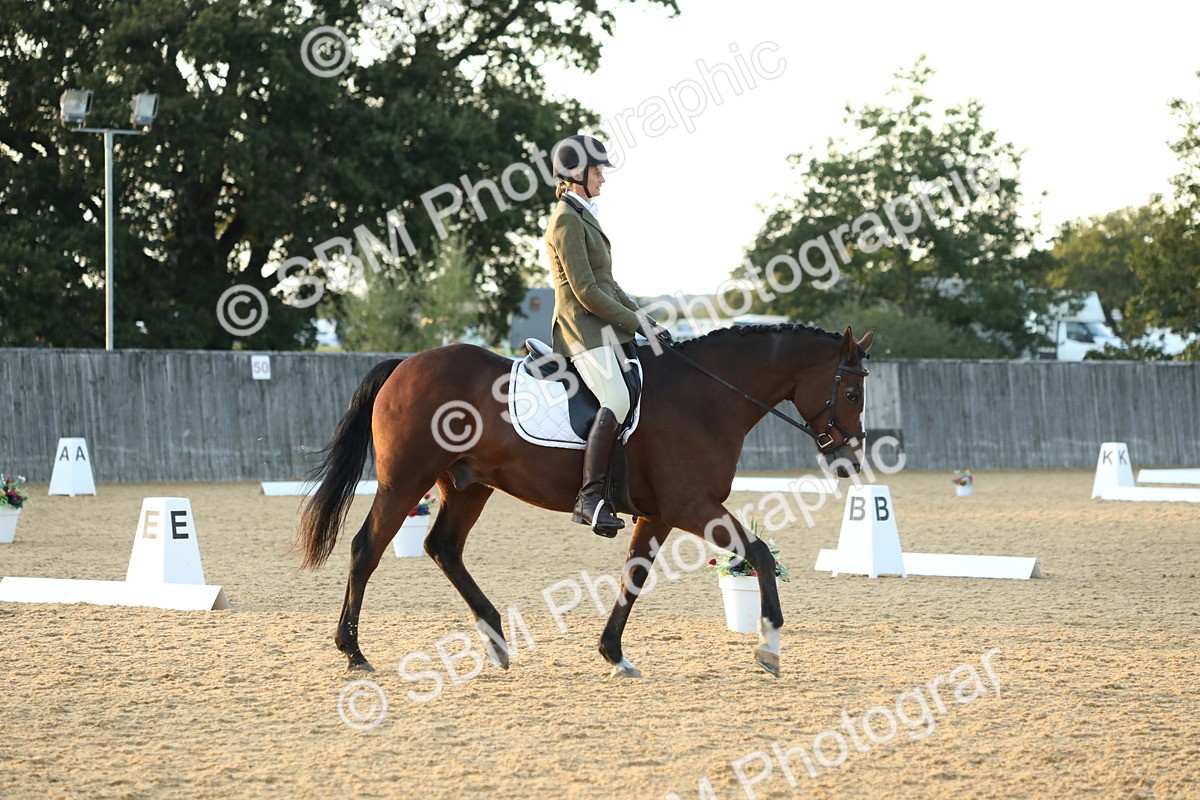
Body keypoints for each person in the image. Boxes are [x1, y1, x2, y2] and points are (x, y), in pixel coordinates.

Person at [544, 134, 672, 538]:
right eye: (597, 170)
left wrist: (645, 319)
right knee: (616, 397)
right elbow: (585, 292)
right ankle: (590, 497)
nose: (603, 178)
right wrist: (636, 325)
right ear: (576, 173)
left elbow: (609, 284)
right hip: (581, 330)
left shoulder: (584, 215)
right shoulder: (565, 220)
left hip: (602, 326)